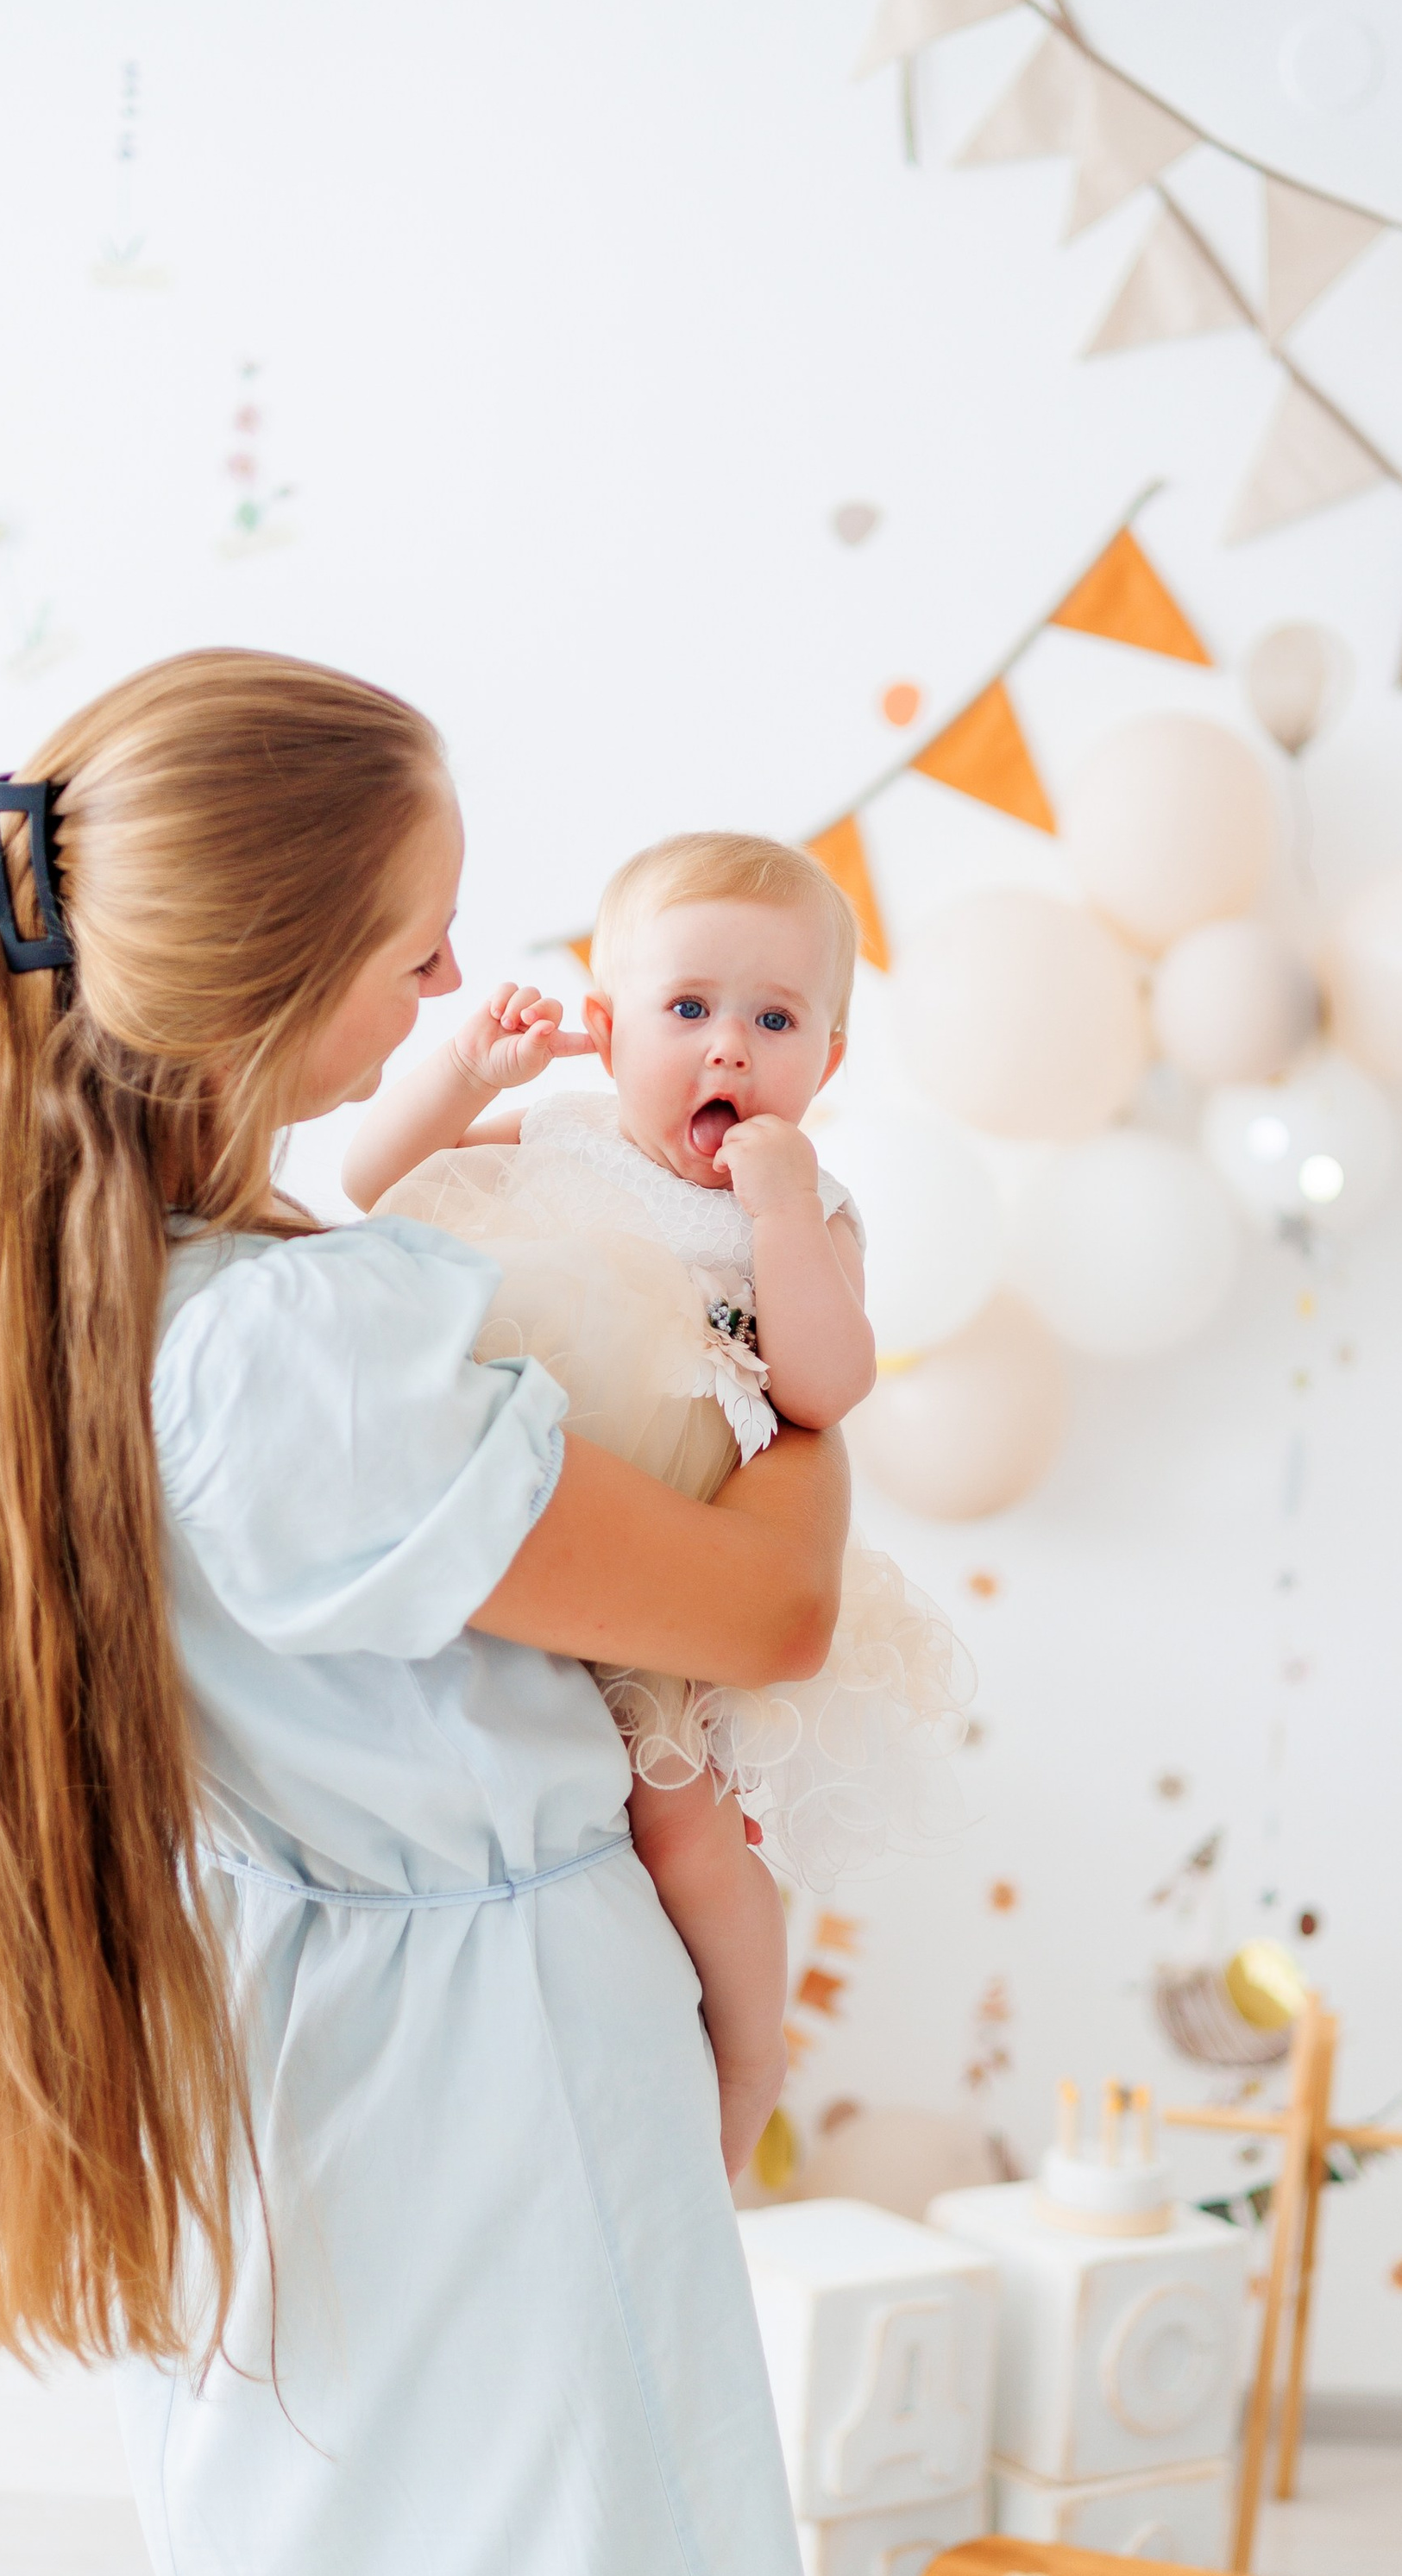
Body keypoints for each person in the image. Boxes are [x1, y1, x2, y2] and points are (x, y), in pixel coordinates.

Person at [0, 657, 842, 2576]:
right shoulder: (296, 1359)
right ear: (290, 980)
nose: (457, 991)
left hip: (349, 2099)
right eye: (421, 954)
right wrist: (813, 1394)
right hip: (466, 2135)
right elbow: (779, 1606)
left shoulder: (121, 1292)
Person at [342, 833, 965, 2186]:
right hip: (526, 1528)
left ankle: (748, 2056)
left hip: (675, 1574)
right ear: (609, 1033)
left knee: (683, 1826)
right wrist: (461, 1078)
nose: (727, 1052)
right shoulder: (560, 1131)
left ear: (829, 1064)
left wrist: (788, 1213)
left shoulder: (806, 1208)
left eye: (775, 1020)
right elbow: (375, 1190)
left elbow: (825, 1387)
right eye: (687, 1012)